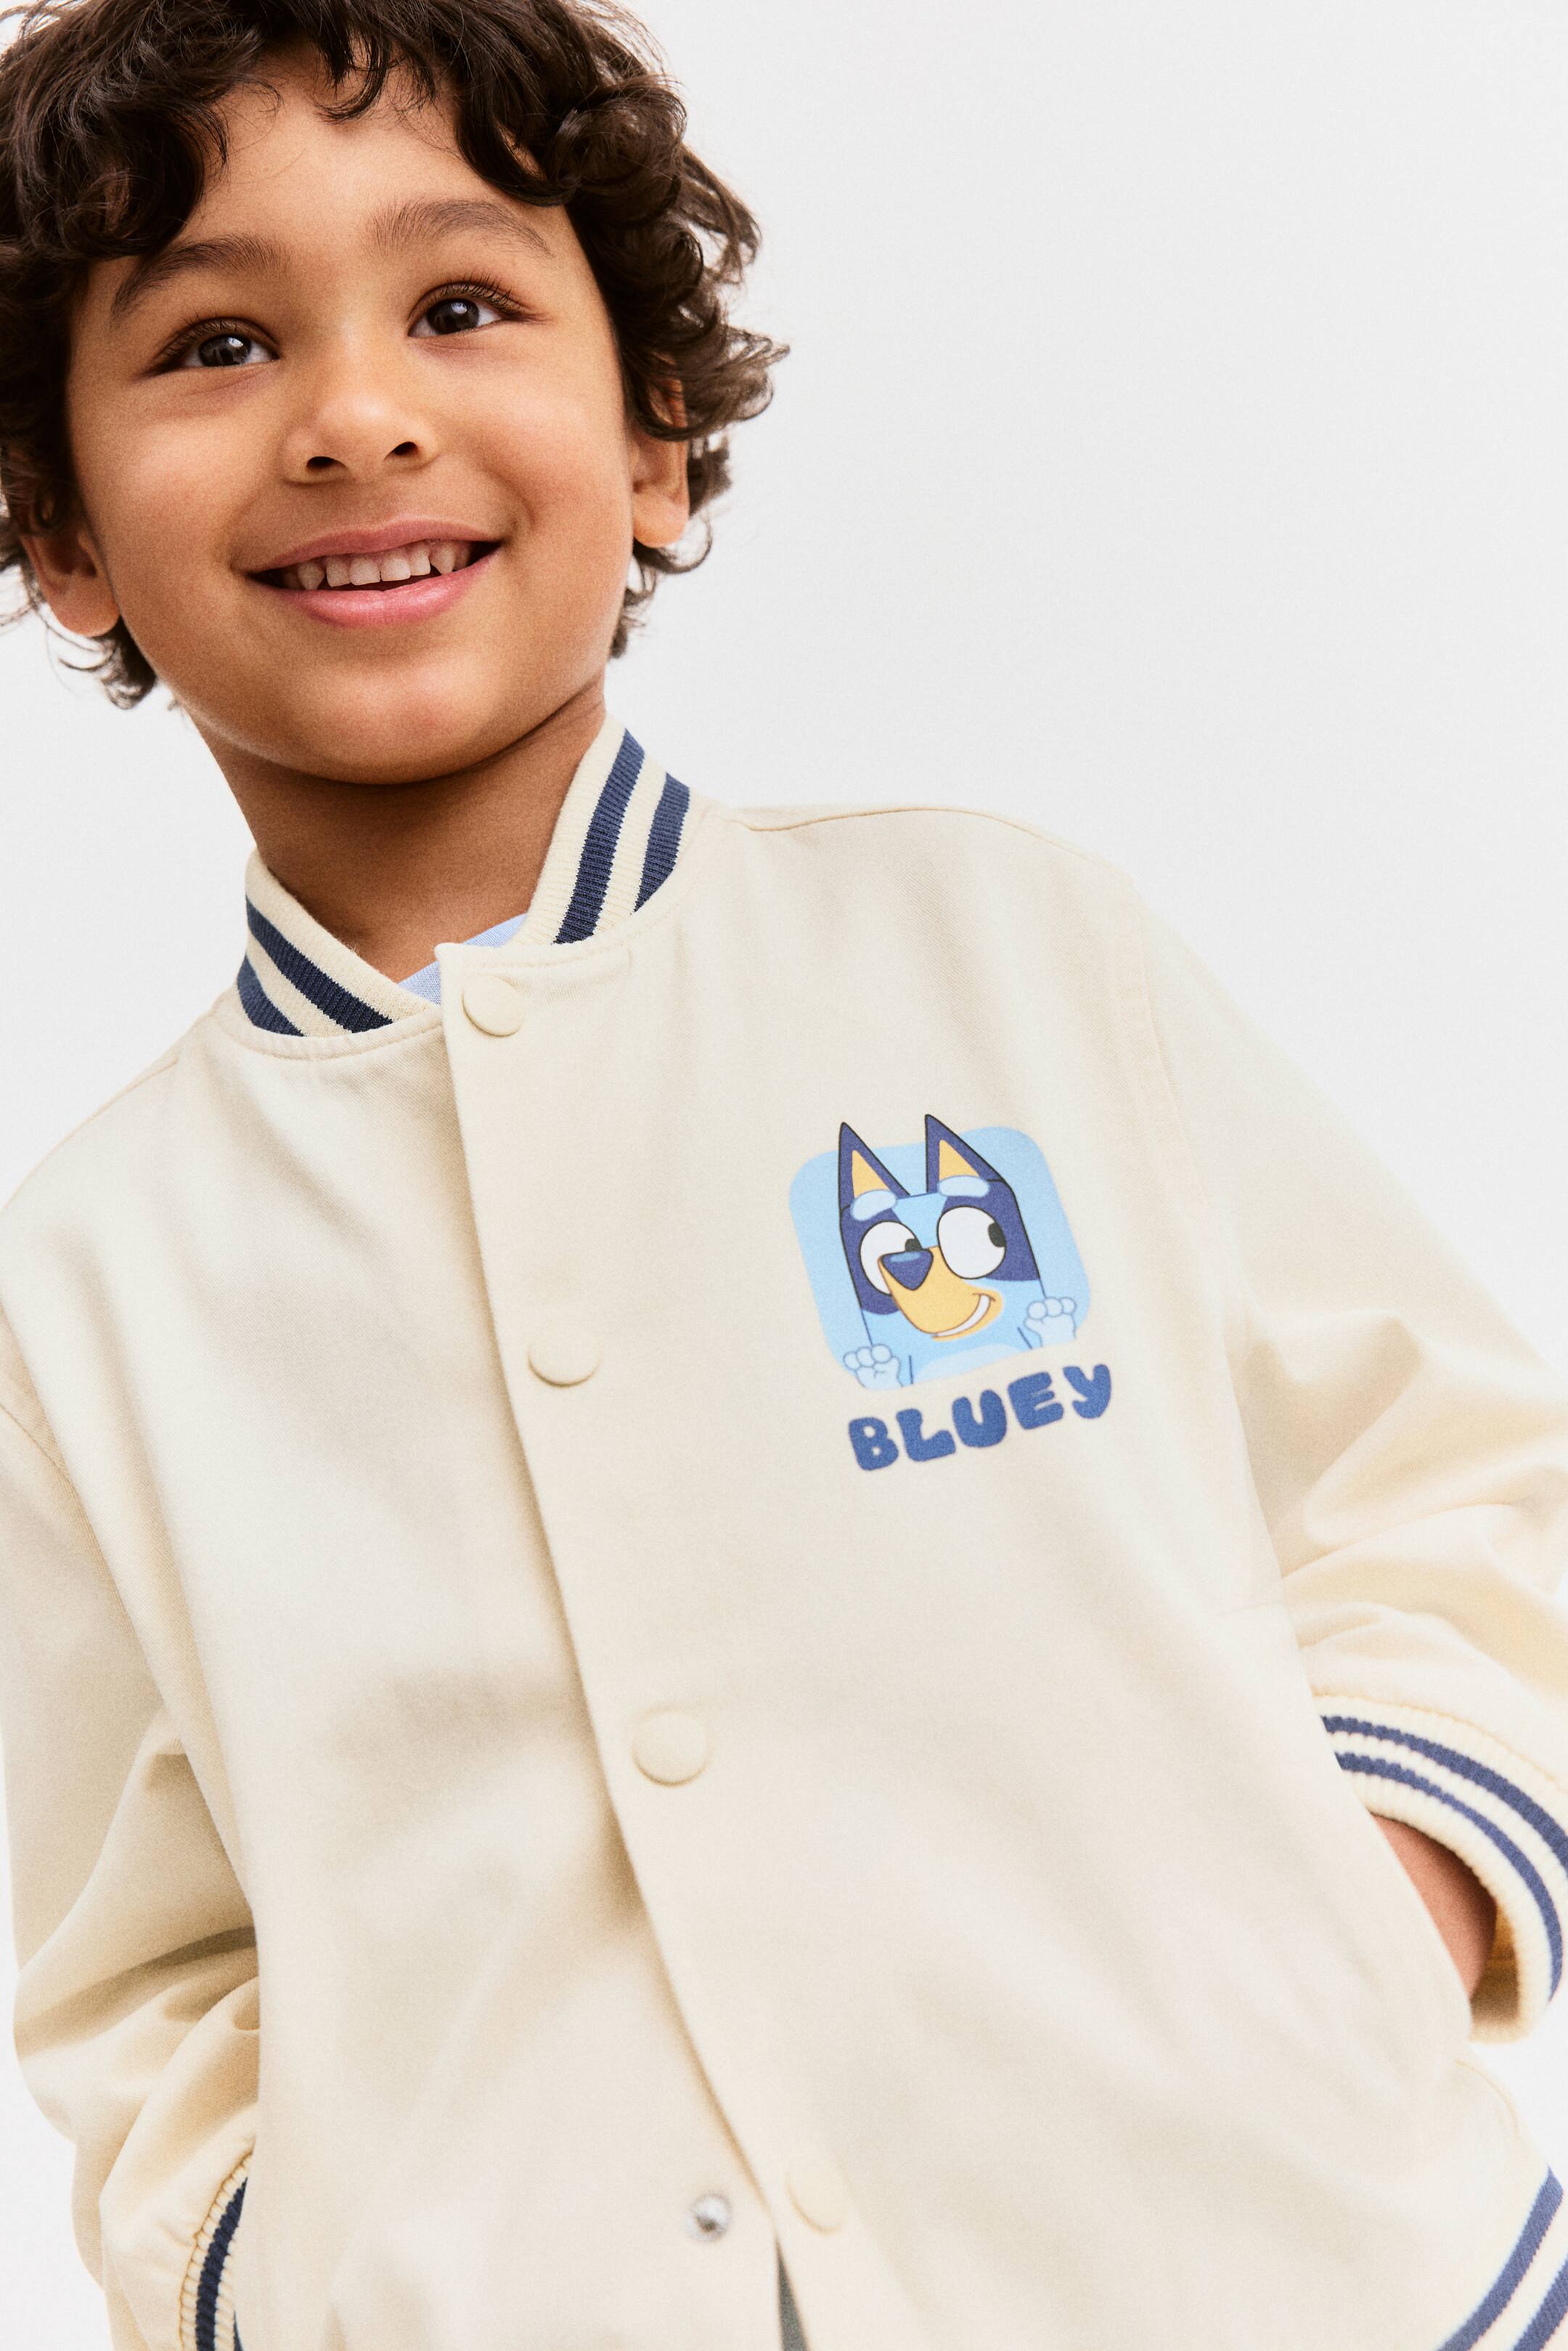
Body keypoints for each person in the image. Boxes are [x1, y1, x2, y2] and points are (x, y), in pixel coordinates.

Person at [0, 2, 1564, 2347]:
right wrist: (282, 2288)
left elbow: (1454, 1485)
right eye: (217, 343)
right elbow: (143, 1980)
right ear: (63, 535)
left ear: (655, 440)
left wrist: (1375, 1912)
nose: (355, 417)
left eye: (460, 304)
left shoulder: (1003, 951)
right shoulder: (87, 1288)